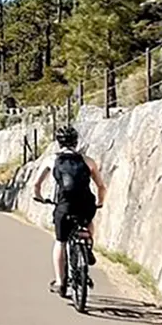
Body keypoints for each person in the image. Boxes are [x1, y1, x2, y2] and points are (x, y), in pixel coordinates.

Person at [32, 125, 107, 297]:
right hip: (86, 205)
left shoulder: (51, 160)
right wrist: (100, 202)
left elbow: (36, 185)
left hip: (64, 206)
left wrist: (39, 197)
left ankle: (60, 282)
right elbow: (101, 186)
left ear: (59, 142)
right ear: (76, 142)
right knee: (88, 222)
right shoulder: (88, 161)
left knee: (60, 242)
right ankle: (87, 245)